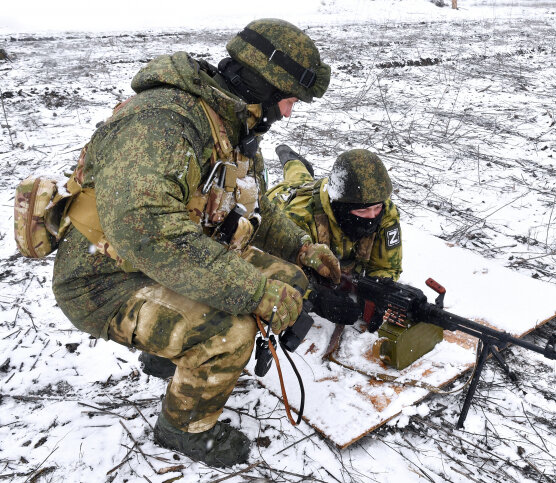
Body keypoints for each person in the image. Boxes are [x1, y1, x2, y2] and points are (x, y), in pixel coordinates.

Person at [52, 18, 340, 467]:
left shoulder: (232, 125)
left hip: (164, 260)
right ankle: (183, 428)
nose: (288, 113)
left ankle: (170, 358)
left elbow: (253, 203)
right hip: (103, 278)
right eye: (287, 101)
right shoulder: (162, 122)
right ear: (260, 86)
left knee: (291, 279)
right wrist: (256, 292)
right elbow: (149, 235)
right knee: (229, 331)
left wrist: (302, 248)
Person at [266, 147, 403, 284]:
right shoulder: (300, 218)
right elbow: (282, 278)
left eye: (377, 207)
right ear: (341, 207)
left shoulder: (385, 211)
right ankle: (288, 156)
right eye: (362, 212)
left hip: (327, 191)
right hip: (280, 198)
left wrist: (378, 291)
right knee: (296, 176)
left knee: (302, 176)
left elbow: (387, 268)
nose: (372, 216)